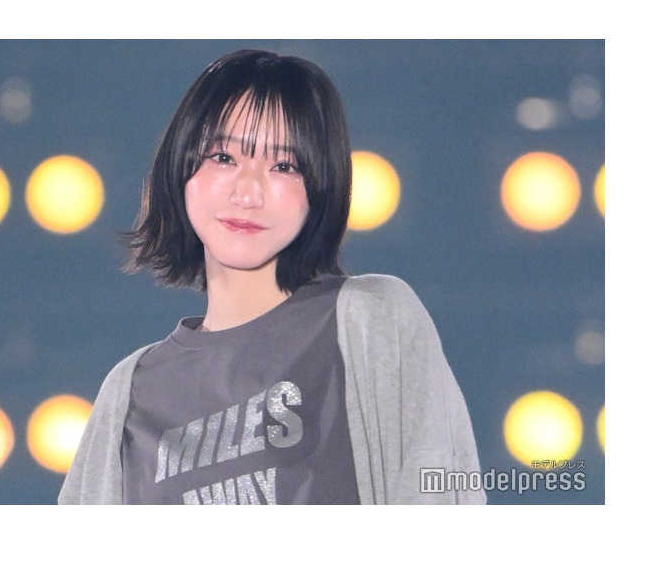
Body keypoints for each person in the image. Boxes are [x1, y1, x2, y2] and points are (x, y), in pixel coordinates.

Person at [58, 48, 485, 505]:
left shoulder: (369, 318)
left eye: (284, 167)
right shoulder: (130, 391)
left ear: (320, 187)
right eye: (223, 157)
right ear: (181, 169)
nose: (248, 192)